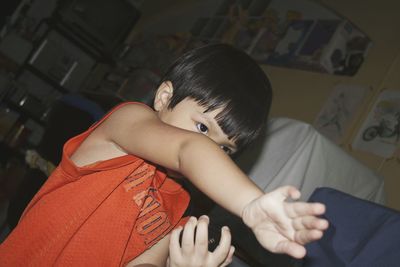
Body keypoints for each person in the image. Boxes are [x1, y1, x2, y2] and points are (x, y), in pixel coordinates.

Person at [0, 44, 328, 266]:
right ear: (164, 97)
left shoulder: (179, 210)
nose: (213, 151)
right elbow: (190, 149)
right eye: (203, 127)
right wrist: (250, 204)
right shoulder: (125, 124)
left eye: (226, 149)